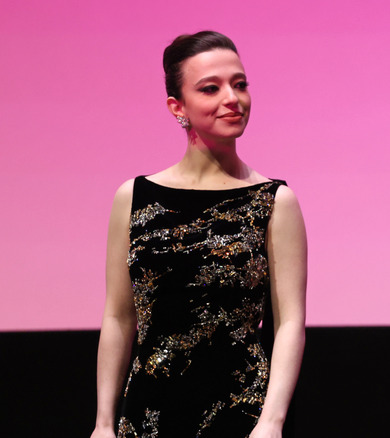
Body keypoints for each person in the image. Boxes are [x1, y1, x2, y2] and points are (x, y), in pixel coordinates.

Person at [91, 31, 306, 438]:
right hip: (149, 412)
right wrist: (104, 422)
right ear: (178, 107)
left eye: (240, 84)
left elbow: (290, 322)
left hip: (241, 414)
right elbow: (119, 317)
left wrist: (272, 422)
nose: (233, 98)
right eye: (211, 88)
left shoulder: (275, 201)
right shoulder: (133, 197)